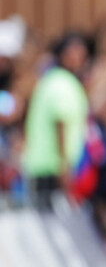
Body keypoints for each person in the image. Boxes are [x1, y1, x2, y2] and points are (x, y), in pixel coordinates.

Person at [22, 31, 91, 211]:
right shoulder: (63, 83)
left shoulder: (50, 80)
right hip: (52, 169)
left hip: (40, 167)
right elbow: (60, 123)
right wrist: (64, 166)